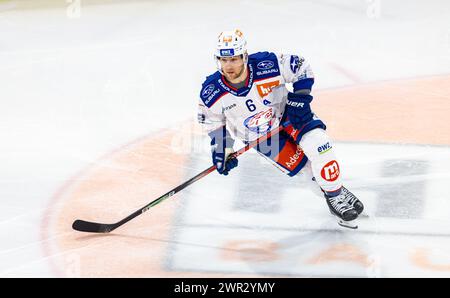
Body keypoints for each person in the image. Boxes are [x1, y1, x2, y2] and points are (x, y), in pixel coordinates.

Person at [197, 29, 364, 228]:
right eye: (223, 60)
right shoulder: (211, 90)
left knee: (321, 145)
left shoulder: (267, 64)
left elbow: (301, 67)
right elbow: (212, 122)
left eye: (234, 59)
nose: (228, 66)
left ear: (244, 56)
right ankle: (334, 190)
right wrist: (222, 149)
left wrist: (300, 99)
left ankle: (335, 194)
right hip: (260, 137)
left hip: (290, 115)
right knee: (307, 169)